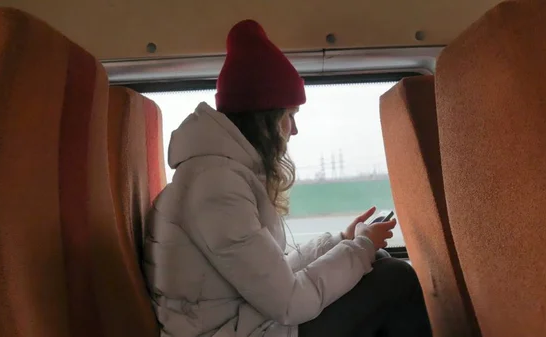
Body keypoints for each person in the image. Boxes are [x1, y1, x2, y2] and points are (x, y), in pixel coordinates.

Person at [143, 19, 432, 337]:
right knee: (395, 279)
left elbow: (269, 278)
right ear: (264, 121)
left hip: (244, 323)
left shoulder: (216, 176)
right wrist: (360, 247)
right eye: (289, 116)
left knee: (376, 262)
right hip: (239, 331)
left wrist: (341, 241)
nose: (294, 130)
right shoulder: (216, 187)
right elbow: (289, 301)